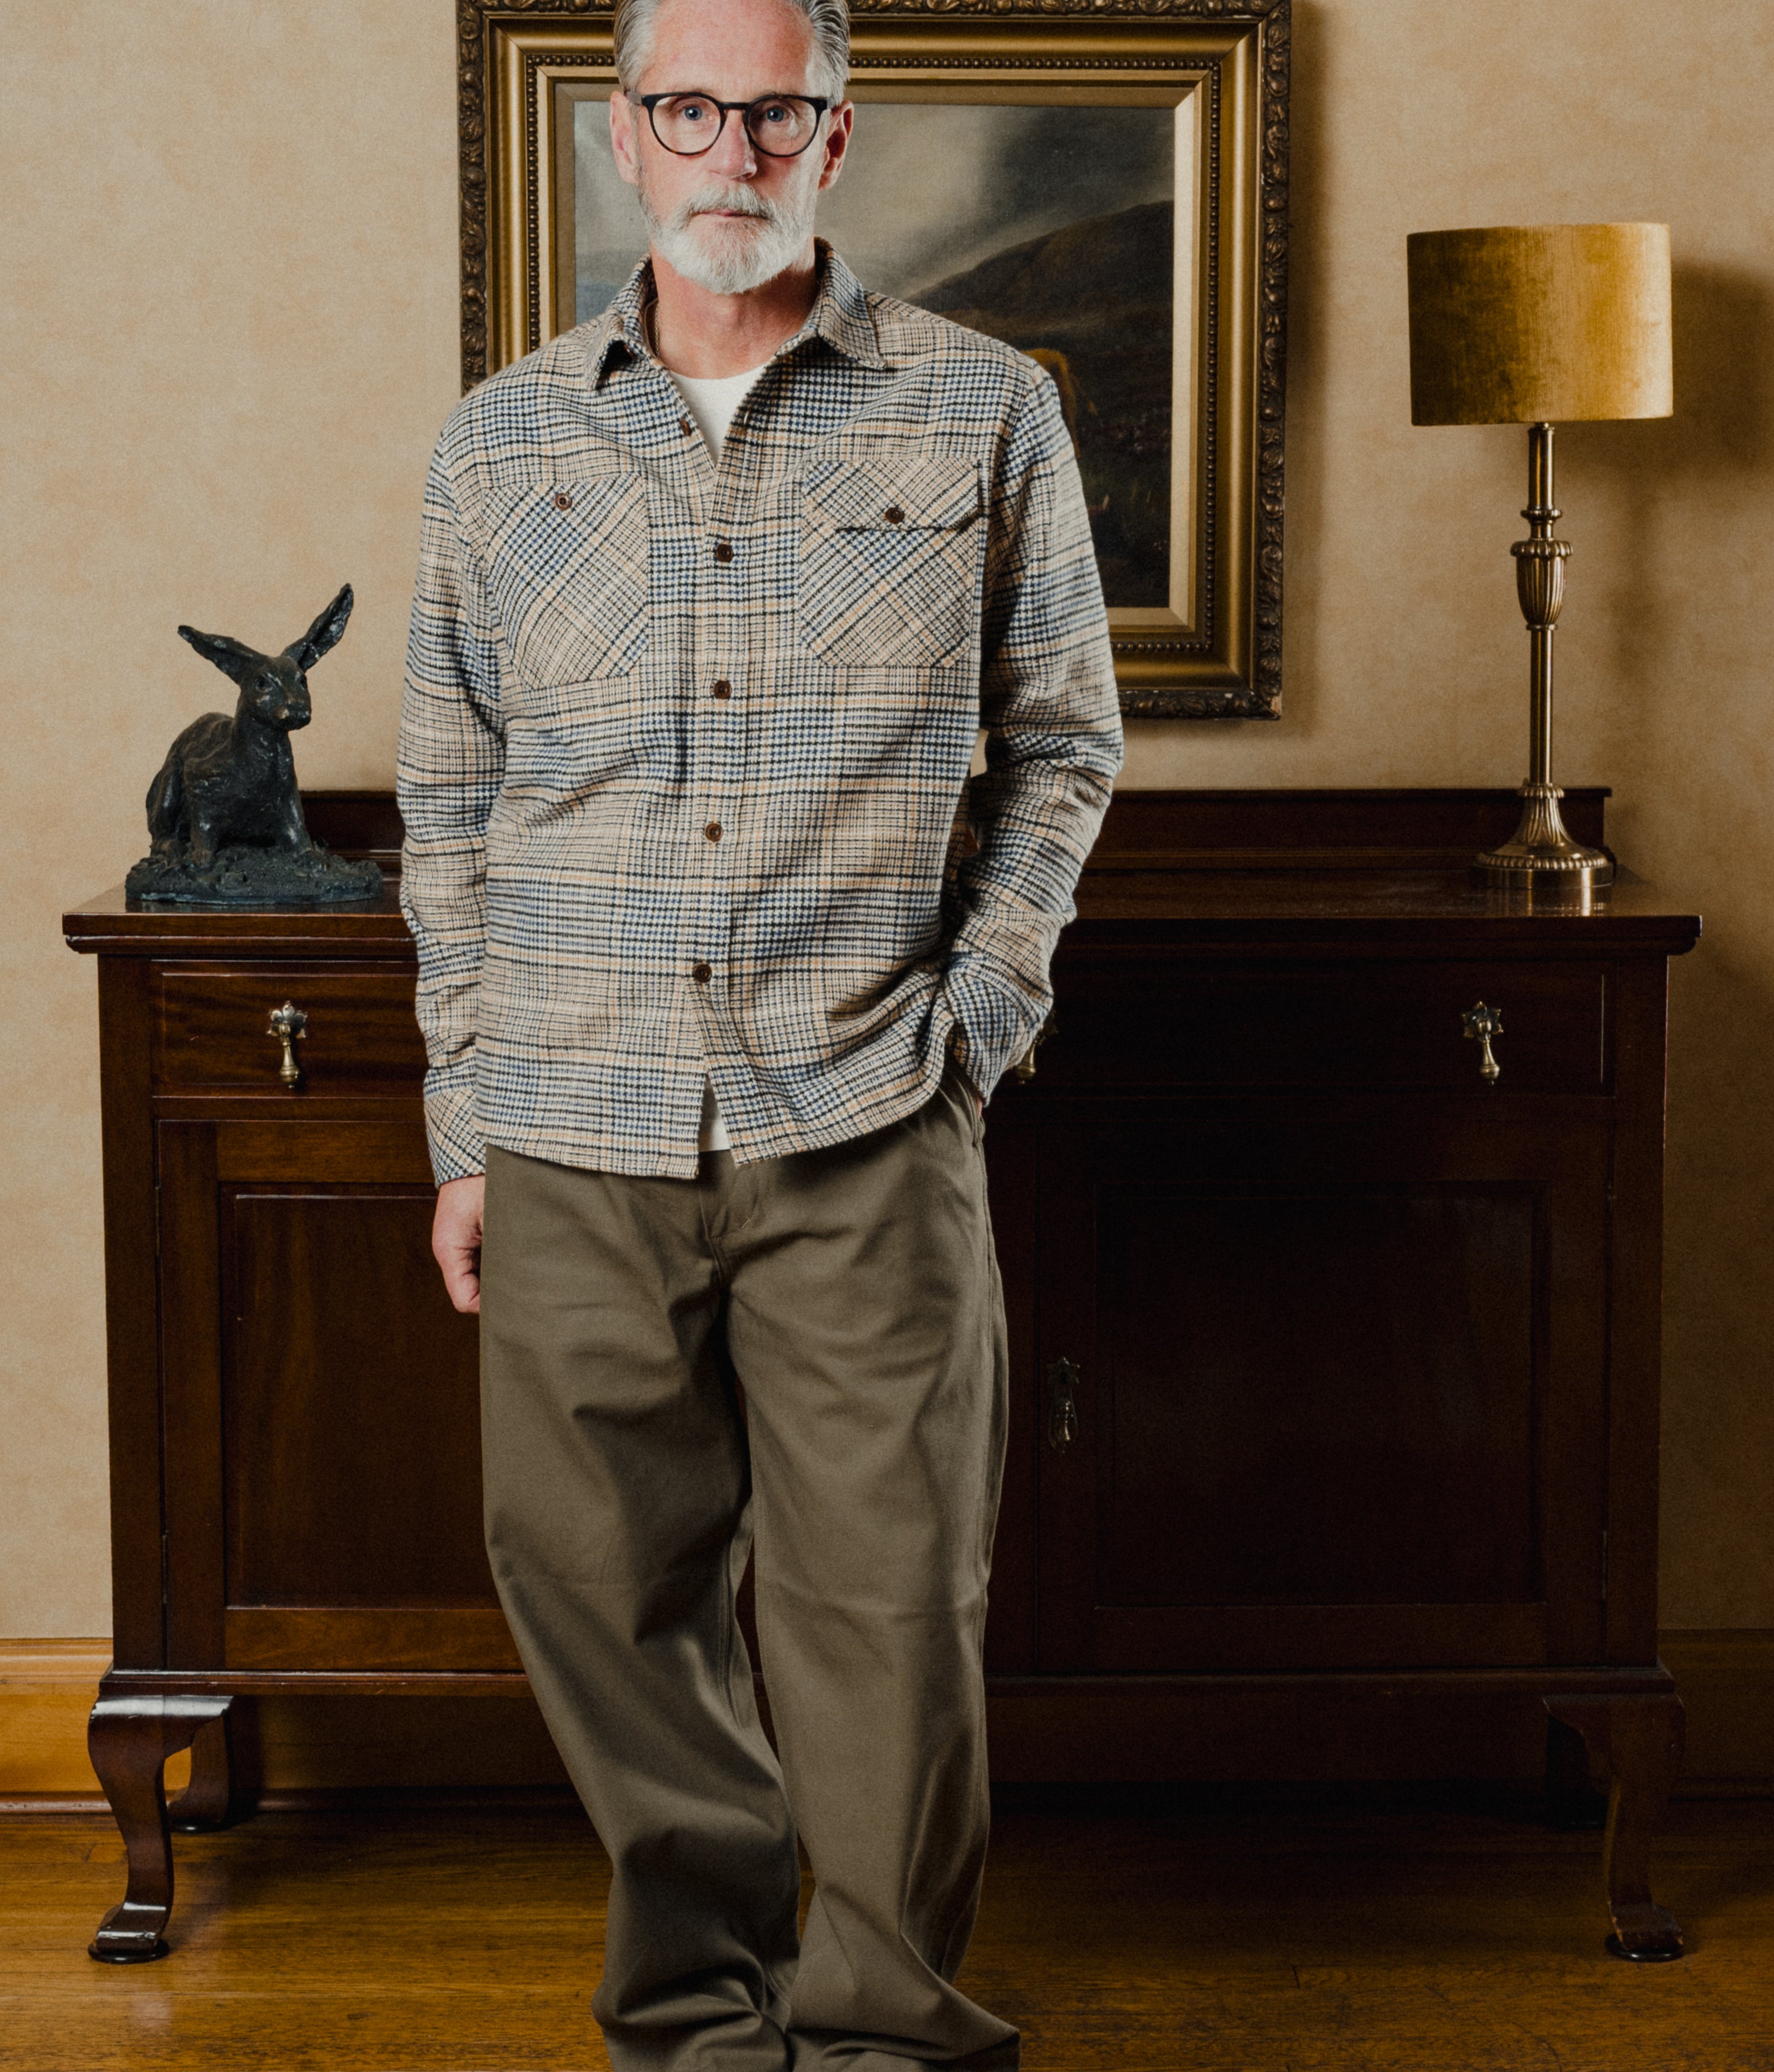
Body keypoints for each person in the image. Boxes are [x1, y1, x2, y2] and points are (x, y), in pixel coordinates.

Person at [397, 0, 1120, 2061]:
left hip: (867, 1112)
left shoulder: (983, 412)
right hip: (568, 1116)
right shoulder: (500, 444)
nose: (733, 144)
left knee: (890, 1619)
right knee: (603, 1605)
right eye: (690, 106)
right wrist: (462, 1129)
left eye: (774, 108)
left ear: (837, 132)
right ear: (624, 136)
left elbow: (1066, 748)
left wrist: (975, 1022)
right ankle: (703, 2025)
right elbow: (448, 809)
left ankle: (884, 2030)